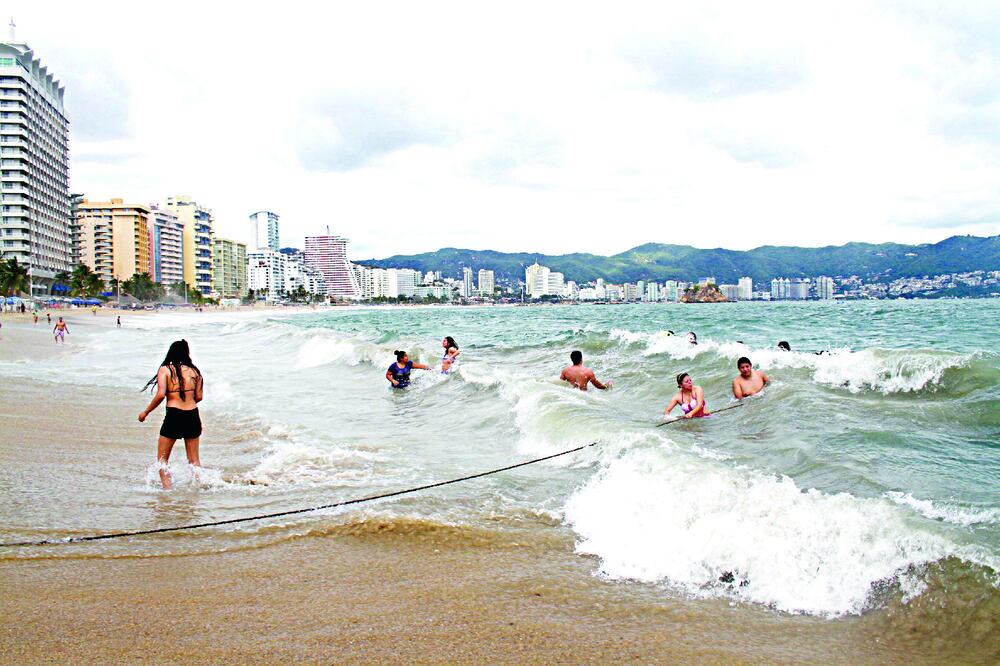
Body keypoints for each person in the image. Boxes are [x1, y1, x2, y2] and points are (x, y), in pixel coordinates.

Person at [138, 340, 204, 490]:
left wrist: (145, 412)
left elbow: (161, 395)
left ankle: (167, 491)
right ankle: (200, 488)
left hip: (174, 415)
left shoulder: (165, 370)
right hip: (192, 415)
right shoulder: (195, 372)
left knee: (162, 459)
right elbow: (199, 397)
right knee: (194, 461)